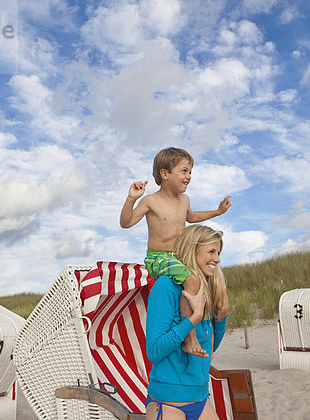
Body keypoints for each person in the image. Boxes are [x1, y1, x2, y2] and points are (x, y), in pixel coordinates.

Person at [120, 147, 231, 357]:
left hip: (180, 258)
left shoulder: (185, 200)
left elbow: (192, 217)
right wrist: (131, 198)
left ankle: (209, 328)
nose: (188, 176)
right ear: (165, 174)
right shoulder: (150, 201)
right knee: (192, 281)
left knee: (212, 281)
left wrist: (217, 211)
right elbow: (126, 223)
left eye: (190, 172)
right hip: (159, 258)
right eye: (184, 171)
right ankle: (189, 338)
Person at [145, 224, 229, 420]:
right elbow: (154, 351)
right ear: (193, 250)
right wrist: (192, 320)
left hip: (200, 398)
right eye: (211, 251)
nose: (217, 259)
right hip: (167, 403)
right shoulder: (166, 286)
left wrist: (222, 315)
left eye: (218, 252)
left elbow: (209, 349)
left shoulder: (206, 288)